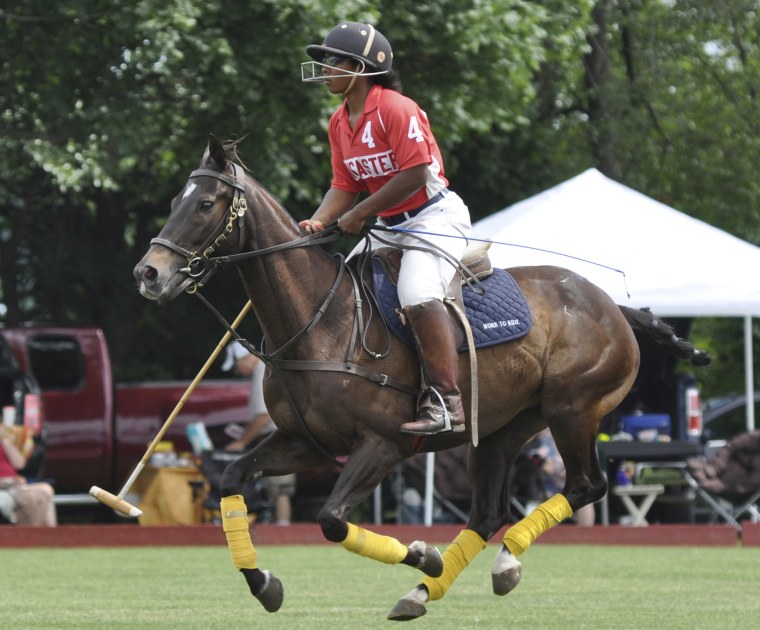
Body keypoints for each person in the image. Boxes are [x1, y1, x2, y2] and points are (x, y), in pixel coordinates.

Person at [299, 22, 472, 436]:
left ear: (361, 68)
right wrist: (320, 219)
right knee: (341, 287)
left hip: (434, 217)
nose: (324, 68)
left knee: (416, 294)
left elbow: (415, 173)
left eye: (332, 60)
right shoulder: (339, 121)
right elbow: (345, 185)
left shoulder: (396, 107)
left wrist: (363, 213)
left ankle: (447, 401)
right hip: (390, 225)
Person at [222, 342, 295, 526]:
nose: (238, 373)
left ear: (244, 358)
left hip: (276, 436)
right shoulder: (265, 367)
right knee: (275, 486)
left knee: (279, 486)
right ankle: (280, 523)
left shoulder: (263, 369)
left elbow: (263, 416)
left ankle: (283, 528)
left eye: (236, 367)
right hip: (277, 434)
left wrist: (242, 442)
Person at [523, 429, 595, 526]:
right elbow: (547, 468)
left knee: (585, 498)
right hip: (546, 488)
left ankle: (586, 535)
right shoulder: (540, 441)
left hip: (571, 487)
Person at [0, 425, 57, 526]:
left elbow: (19, 463)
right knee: (41, 498)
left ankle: (46, 535)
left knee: (45, 491)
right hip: (4, 488)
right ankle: (34, 537)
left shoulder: (5, 441)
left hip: (13, 485)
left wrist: (3, 439)